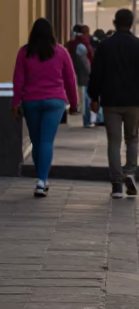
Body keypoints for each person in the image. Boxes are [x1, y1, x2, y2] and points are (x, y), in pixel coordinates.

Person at [88, 8, 139, 199]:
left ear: (114, 23)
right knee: (132, 138)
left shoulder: (104, 46)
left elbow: (96, 74)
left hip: (110, 100)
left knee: (114, 142)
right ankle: (130, 172)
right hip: (134, 101)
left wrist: (93, 97)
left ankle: (117, 185)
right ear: (132, 24)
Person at [13, 18, 78, 197]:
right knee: (46, 141)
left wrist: (15, 103)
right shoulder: (61, 52)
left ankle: (41, 178)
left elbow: (18, 80)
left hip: (31, 101)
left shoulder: (24, 52)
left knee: (36, 142)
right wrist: (74, 103)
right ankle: (42, 180)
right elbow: (70, 79)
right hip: (55, 101)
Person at [66, 25, 94, 127]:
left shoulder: (72, 45)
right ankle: (87, 121)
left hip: (75, 75)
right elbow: (85, 63)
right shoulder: (82, 46)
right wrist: (91, 73)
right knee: (86, 100)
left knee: (83, 99)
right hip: (83, 77)